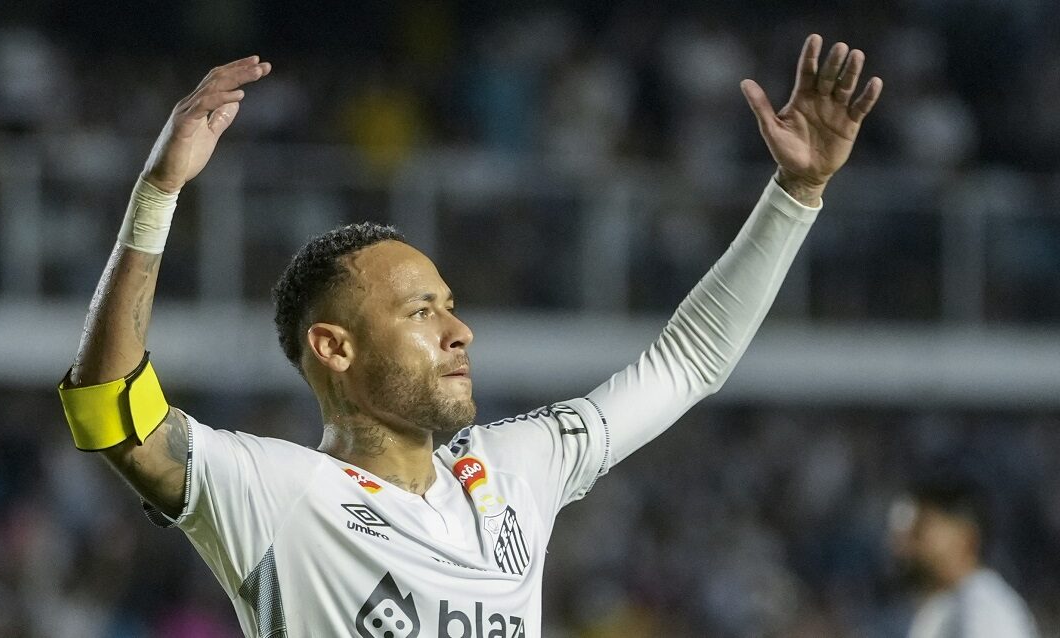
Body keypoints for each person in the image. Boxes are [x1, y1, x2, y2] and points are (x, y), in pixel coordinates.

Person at [58, 34, 882, 637]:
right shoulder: (277, 495)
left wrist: (795, 192)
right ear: (334, 348)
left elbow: (691, 360)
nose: (460, 331)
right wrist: (159, 193)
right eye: (421, 311)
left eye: (449, 305)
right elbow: (111, 411)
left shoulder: (515, 469)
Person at [890, 480, 1038, 638]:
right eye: (901, 536)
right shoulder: (943, 607)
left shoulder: (983, 611)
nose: (903, 547)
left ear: (966, 538)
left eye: (919, 533)